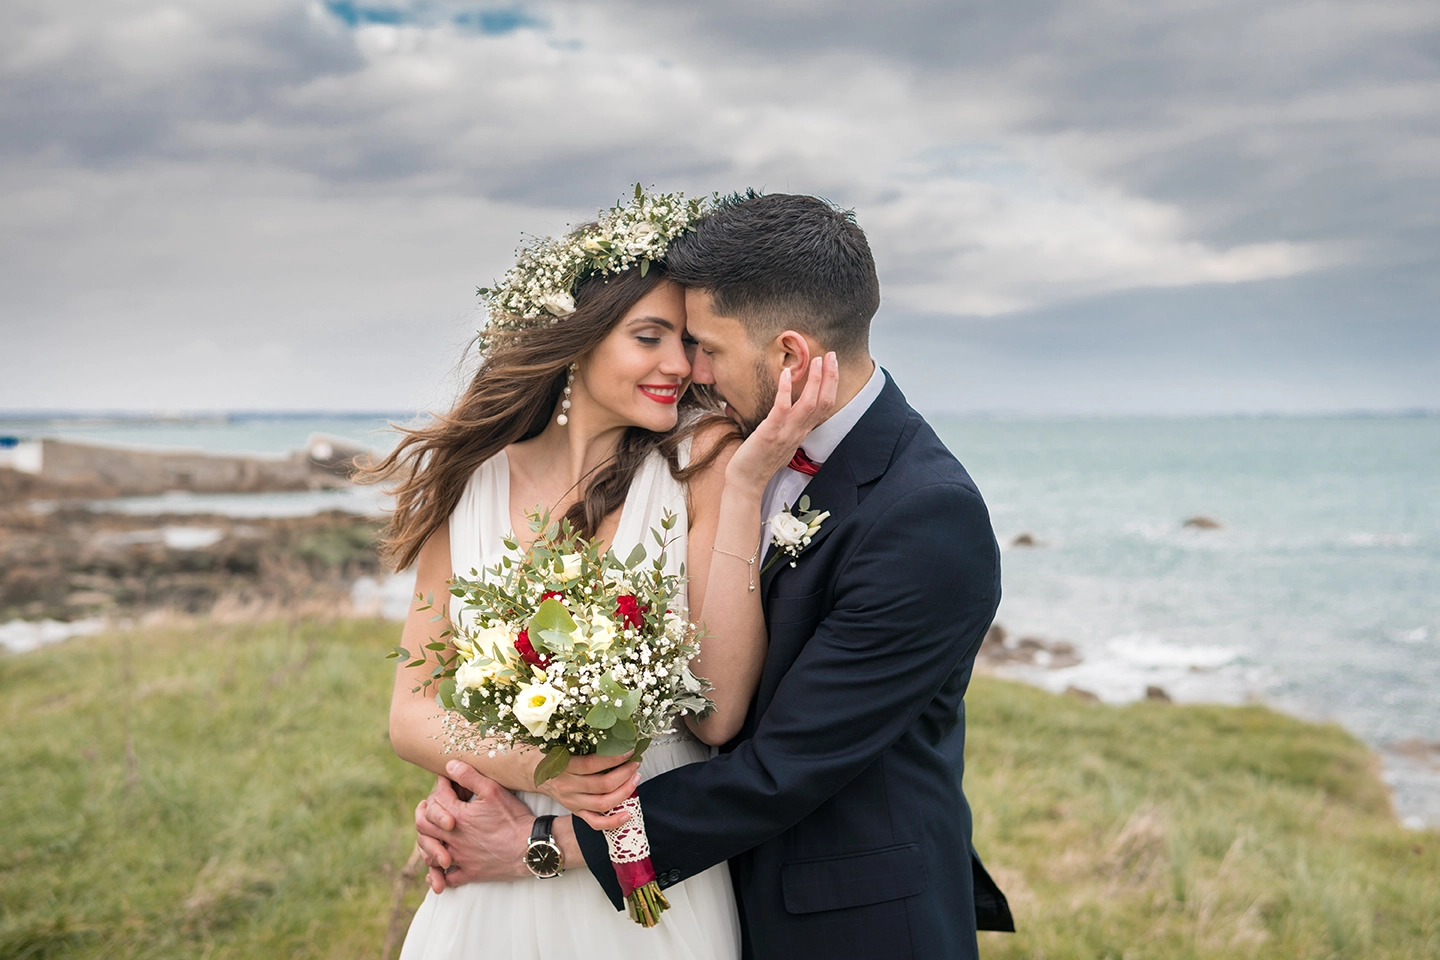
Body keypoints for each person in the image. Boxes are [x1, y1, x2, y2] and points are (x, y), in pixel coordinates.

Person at [414, 192, 1015, 959]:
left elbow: (778, 769)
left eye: (706, 347)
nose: (691, 370)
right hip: (710, 890)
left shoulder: (926, 519)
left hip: (845, 922)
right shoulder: (725, 449)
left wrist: (542, 841)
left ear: (791, 356)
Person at [369, 189, 838, 960]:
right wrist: (548, 772)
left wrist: (752, 482)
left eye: (686, 342)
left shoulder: (707, 459)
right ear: (575, 341)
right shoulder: (475, 484)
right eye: (649, 337)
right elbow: (413, 714)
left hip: (649, 881)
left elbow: (716, 716)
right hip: (492, 860)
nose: (680, 366)